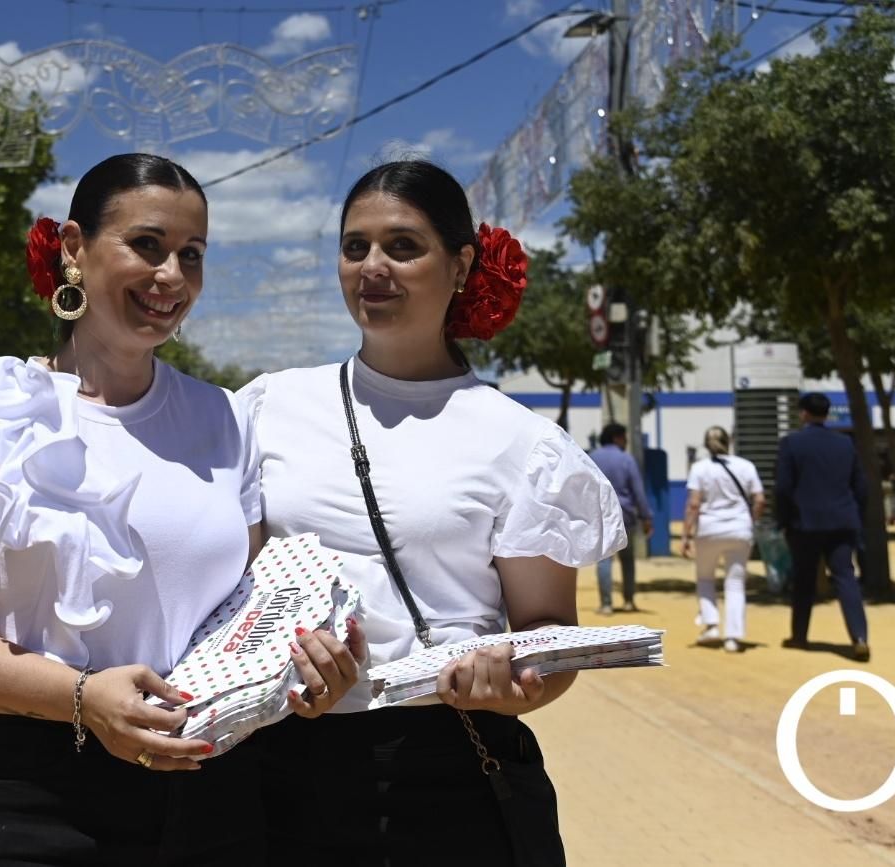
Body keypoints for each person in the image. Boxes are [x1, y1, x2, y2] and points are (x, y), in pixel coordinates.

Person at [0, 153, 361, 866]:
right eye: (147, 245)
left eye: (191, 255)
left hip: (216, 788)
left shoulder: (224, 418)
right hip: (44, 801)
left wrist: (310, 666)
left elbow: (250, 608)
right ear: (73, 249)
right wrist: (81, 696)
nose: (172, 276)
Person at [241, 160, 625, 865]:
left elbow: (547, 635)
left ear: (460, 263)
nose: (372, 267)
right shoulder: (270, 406)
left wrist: (508, 686)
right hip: (278, 765)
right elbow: (228, 589)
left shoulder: (522, 443)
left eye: (402, 246)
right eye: (355, 246)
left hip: (446, 771)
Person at [776, 392, 870, 661]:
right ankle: (859, 637)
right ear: (827, 413)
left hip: (804, 523)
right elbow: (860, 486)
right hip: (842, 521)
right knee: (845, 577)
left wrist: (784, 519)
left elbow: (783, 488)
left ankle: (799, 635)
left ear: (803, 413)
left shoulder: (791, 443)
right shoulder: (845, 444)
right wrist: (856, 516)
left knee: (804, 579)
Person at [682, 426, 765, 653]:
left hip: (708, 530)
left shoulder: (700, 468)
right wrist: (751, 521)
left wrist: (686, 535)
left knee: (705, 579)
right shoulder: (746, 466)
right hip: (739, 530)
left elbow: (694, 504)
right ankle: (733, 637)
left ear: (706, 445)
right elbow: (759, 500)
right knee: (735, 583)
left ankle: (711, 626)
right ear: (728, 442)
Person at [589, 422, 653, 614]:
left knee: (604, 559)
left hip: (599, 514)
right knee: (627, 559)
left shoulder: (591, 458)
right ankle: (628, 600)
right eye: (624, 437)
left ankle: (606, 604)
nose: (626, 441)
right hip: (625, 514)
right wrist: (646, 516)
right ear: (617, 437)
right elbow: (638, 491)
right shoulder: (626, 460)